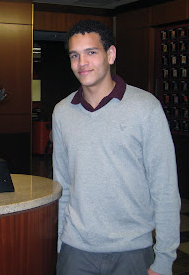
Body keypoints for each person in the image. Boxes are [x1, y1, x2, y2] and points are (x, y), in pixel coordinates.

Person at [52, 20, 180, 275]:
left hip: (132, 251)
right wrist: (59, 245)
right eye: (75, 55)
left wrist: (164, 259)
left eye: (91, 52)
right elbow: (62, 184)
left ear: (110, 55)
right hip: (75, 251)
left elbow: (164, 188)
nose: (82, 63)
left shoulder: (146, 108)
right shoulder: (62, 112)